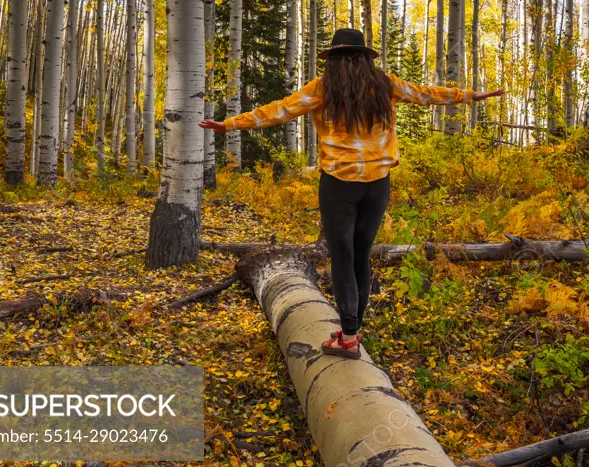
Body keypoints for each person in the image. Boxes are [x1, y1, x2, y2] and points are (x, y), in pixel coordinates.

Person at [201, 28, 505, 360]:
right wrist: (470, 96)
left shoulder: (322, 88)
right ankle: (351, 332)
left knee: (343, 256)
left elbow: (278, 111)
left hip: (338, 184)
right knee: (361, 254)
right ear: (364, 57)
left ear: (331, 59)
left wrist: (229, 125)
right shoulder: (384, 84)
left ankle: (348, 337)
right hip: (378, 183)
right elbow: (426, 94)